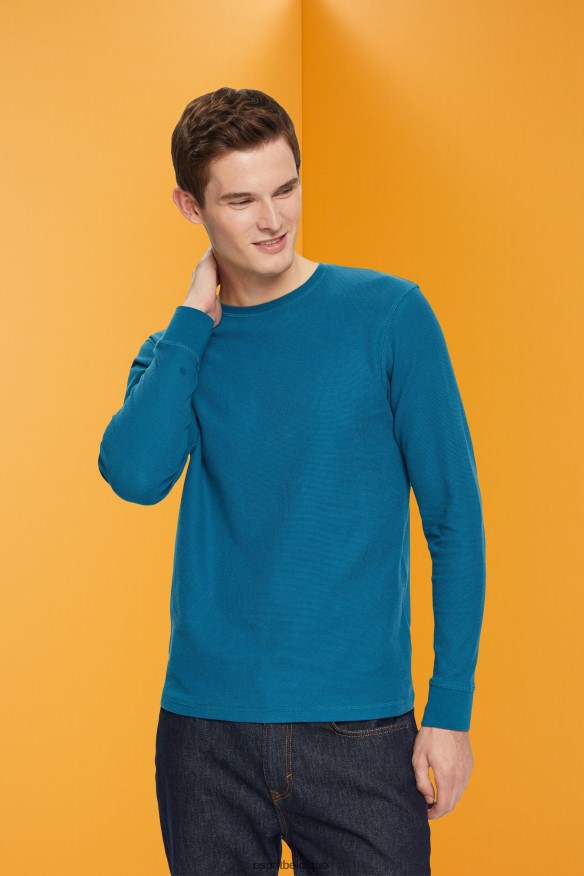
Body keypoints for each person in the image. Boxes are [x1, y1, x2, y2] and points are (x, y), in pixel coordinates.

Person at [98, 86, 486, 875]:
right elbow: (135, 475)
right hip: (206, 733)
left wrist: (449, 710)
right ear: (190, 206)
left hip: (361, 731)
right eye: (241, 200)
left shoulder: (389, 315)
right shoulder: (178, 352)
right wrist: (192, 320)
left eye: (287, 189)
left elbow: (453, 517)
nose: (273, 220)